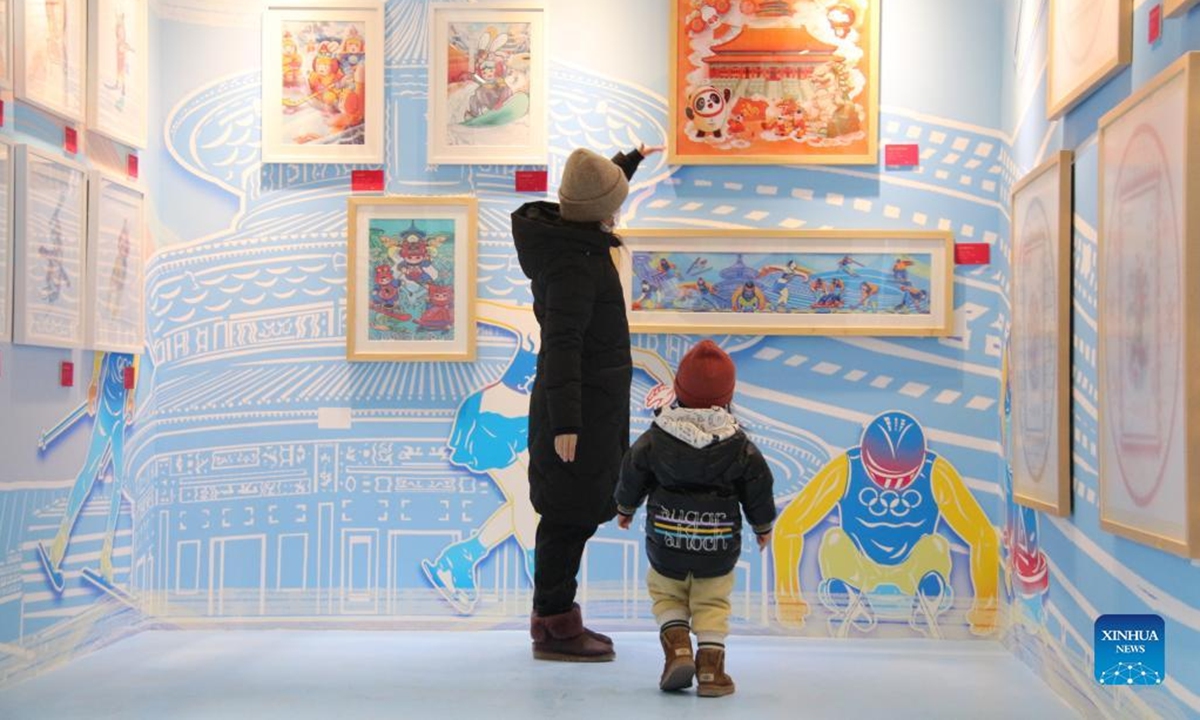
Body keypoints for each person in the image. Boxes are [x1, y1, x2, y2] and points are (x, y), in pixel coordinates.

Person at [511, 141, 661, 662]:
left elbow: (595, 193)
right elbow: (562, 346)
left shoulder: (571, 236)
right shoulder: (574, 266)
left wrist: (631, 160)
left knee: (573, 512)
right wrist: (567, 424)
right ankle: (554, 626)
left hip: (590, 406)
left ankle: (556, 619)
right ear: (600, 212)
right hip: (576, 413)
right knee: (566, 518)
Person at [615, 340, 776, 697]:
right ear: (727, 395)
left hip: (666, 543)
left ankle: (678, 650)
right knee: (712, 604)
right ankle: (710, 672)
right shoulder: (739, 444)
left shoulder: (658, 436)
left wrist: (626, 508)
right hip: (717, 547)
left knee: (667, 595)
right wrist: (762, 526)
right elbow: (759, 486)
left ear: (679, 390)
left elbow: (632, 472)